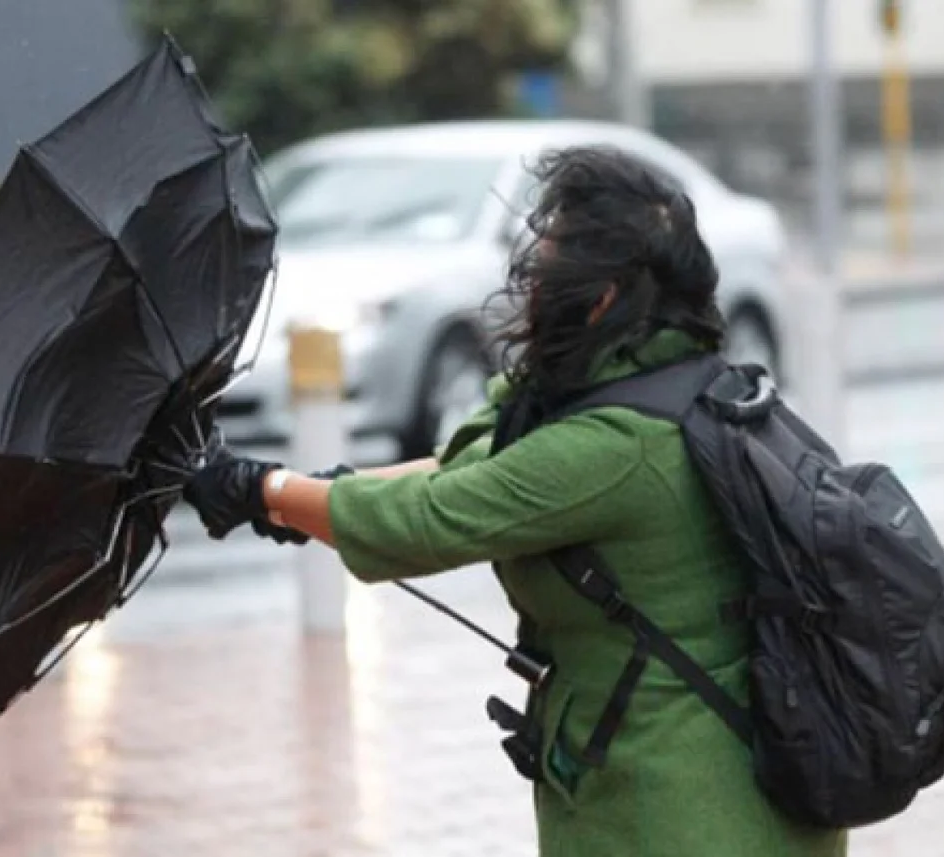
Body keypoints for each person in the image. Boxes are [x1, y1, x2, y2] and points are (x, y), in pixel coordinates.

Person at [182, 145, 848, 856]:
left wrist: (263, 488)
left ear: (602, 297)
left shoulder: (618, 444)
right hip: (699, 791)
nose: (532, 283)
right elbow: (465, 465)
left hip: (687, 811)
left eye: (552, 265)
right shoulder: (672, 383)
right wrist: (306, 495)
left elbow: (429, 520)